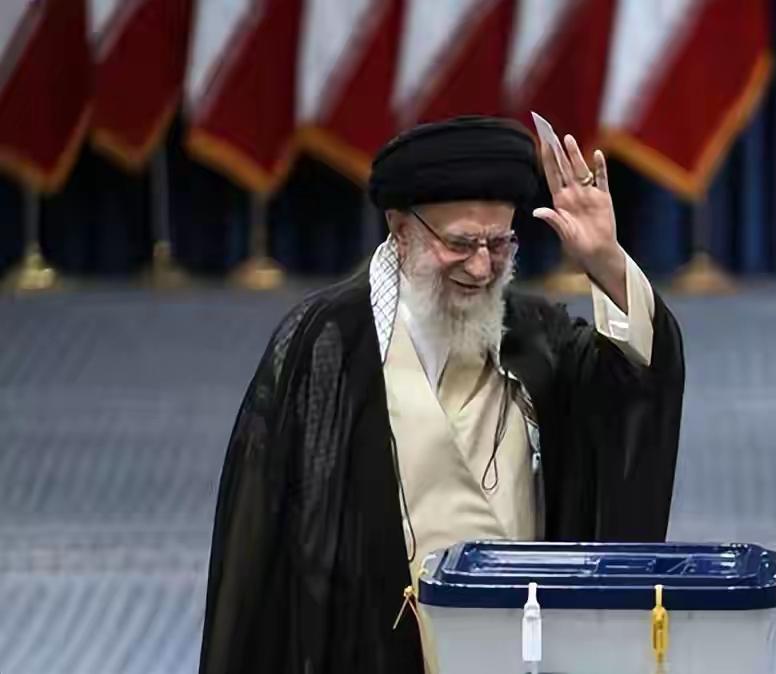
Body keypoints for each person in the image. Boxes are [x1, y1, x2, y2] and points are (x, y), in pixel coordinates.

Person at [198, 115, 685, 674]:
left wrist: (605, 263)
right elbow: (265, 550)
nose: (481, 267)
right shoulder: (327, 342)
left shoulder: (535, 336)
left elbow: (633, 393)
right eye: (460, 243)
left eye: (499, 243)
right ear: (400, 229)